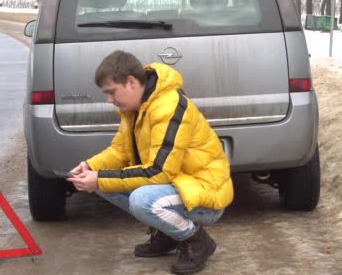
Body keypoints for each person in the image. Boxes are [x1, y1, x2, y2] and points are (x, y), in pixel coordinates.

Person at [67, 50, 234, 275]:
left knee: (140, 199)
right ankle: (168, 233)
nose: (109, 100)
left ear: (131, 82)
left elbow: (159, 172)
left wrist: (99, 179)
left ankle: (196, 240)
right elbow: (120, 151)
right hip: (179, 185)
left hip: (206, 193)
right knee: (102, 180)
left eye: (111, 92)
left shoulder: (169, 106)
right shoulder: (134, 109)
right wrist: (90, 166)